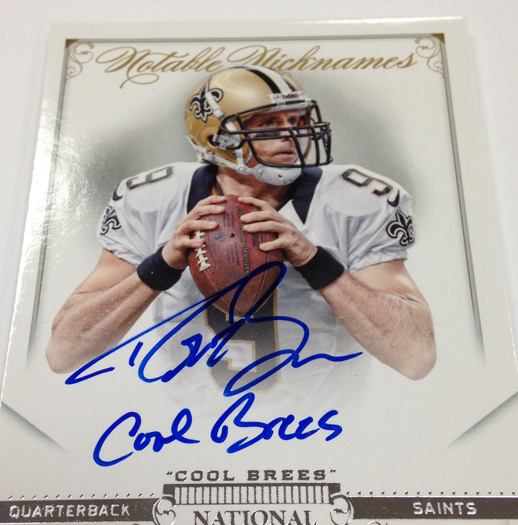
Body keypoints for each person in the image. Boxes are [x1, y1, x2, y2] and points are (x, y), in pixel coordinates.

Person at [46, 65, 436, 400]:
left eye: (297, 120)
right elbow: (65, 353)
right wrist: (160, 265)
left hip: (326, 426)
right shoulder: (151, 198)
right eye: (269, 124)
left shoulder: (359, 199)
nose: (292, 135)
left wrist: (316, 261)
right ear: (217, 138)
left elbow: (416, 357)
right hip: (188, 430)